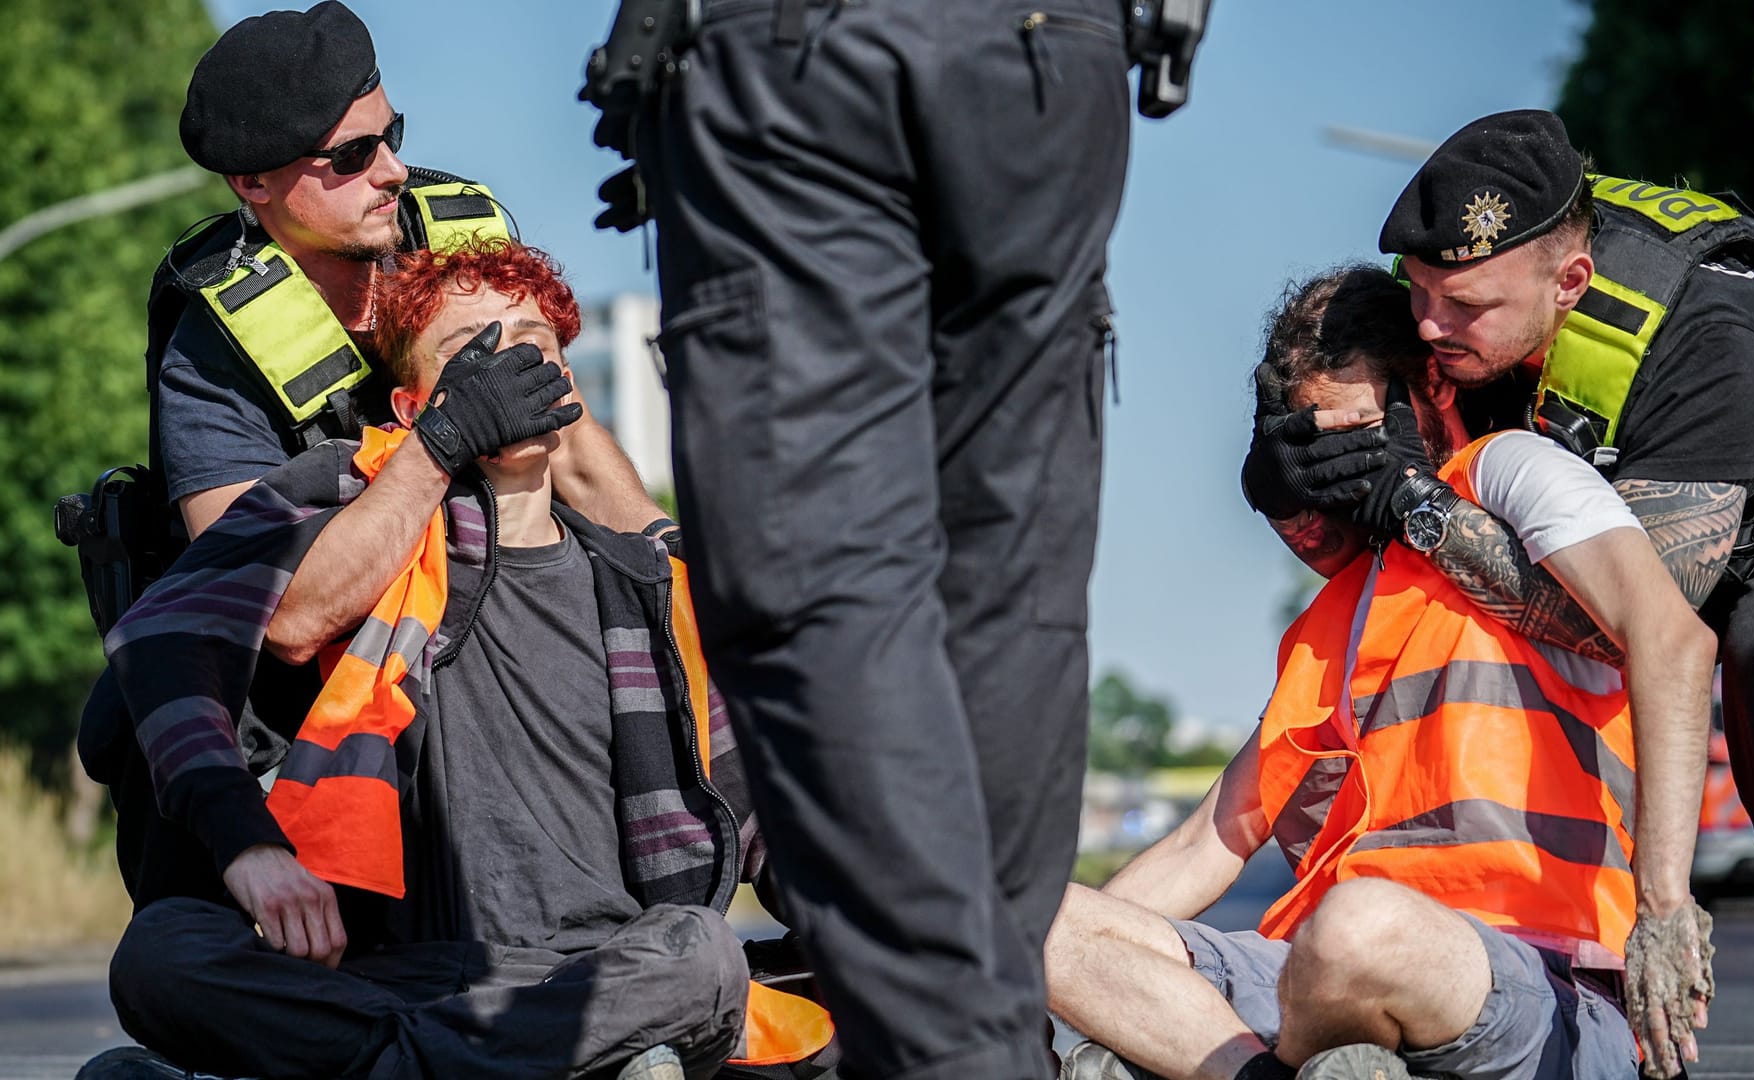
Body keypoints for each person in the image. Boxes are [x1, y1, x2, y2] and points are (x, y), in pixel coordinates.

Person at [1256, 109, 1754, 1077]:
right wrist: (1288, 473)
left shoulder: (1709, 339)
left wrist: (1411, 502)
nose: (1431, 327)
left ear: (1568, 281)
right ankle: (1467, 967)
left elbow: (1618, 630)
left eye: (1464, 307)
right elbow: (1373, 527)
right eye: (1422, 292)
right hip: (1670, 483)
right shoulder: (1473, 302)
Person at [86, 241, 834, 1080]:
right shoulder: (362, 518)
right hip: (382, 977)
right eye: (470, 352)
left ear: (568, 391)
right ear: (411, 404)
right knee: (162, 953)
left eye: (529, 343)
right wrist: (245, 843)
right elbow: (164, 641)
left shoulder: (649, 589)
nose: (506, 363)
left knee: (701, 954)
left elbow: (772, 824)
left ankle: (394, 1071)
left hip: (591, 979)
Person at [582, 3, 1142, 1076]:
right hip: (1055, 57)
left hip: (798, 62)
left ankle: (960, 1052)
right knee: (1007, 594)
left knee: (819, 598)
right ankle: (973, 1031)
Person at [1049, 265, 1717, 1080]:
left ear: (1430, 387)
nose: (1343, 464)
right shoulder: (1341, 614)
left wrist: (1664, 912)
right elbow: (1206, 842)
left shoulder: (1509, 473)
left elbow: (1673, 639)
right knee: (1025, 914)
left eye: (1360, 428)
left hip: (1542, 983)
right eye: (1317, 440)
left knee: (1358, 929)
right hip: (1321, 984)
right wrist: (1076, 974)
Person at [82, 0, 667, 915]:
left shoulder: (458, 233)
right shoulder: (213, 350)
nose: (391, 170)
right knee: (184, 962)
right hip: (323, 700)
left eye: (389, 133)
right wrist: (437, 443)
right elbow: (281, 618)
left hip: (509, 627)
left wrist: (676, 571)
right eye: (351, 157)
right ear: (254, 184)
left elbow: (577, 441)